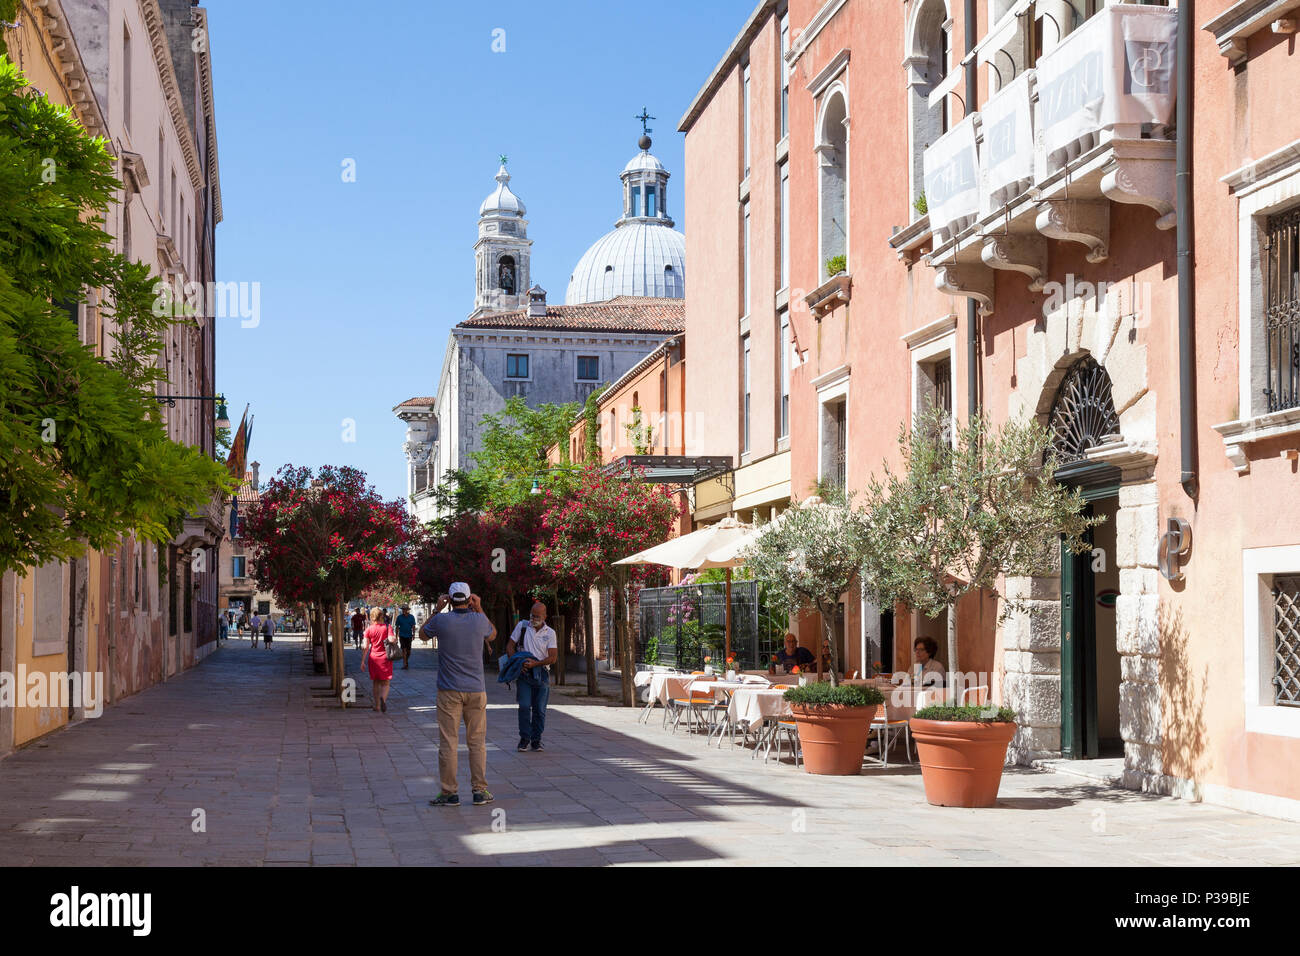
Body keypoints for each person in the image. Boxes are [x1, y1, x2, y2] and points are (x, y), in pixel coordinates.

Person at [421, 583, 496, 807]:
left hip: (449, 691)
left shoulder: (441, 620)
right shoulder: (479, 620)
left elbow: (422, 634)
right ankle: (480, 790)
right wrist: (480, 608)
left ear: (450, 599)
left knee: (448, 742)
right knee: (477, 742)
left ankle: (449, 792)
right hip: (476, 690)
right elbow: (493, 635)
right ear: (469, 598)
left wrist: (437, 608)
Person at [506, 601, 558, 753]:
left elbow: (553, 657)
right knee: (523, 706)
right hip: (524, 673)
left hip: (541, 673)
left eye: (537, 616)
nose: (533, 619)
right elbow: (510, 646)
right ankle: (524, 738)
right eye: (532, 615)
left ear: (545, 616)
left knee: (539, 709)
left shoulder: (550, 633)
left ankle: (536, 740)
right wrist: (517, 662)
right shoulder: (522, 627)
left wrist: (536, 664)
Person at [362, 606, 395, 712]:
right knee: (386, 682)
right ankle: (383, 700)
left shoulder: (369, 629)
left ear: (372, 617)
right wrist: (392, 638)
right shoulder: (387, 627)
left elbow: (365, 646)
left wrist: (362, 661)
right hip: (385, 658)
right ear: (382, 616)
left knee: (376, 682)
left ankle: (377, 706)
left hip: (373, 658)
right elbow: (391, 639)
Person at [394, 604, 418, 670]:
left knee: (409, 651)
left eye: (405, 609)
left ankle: (406, 661)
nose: (404, 610)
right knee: (404, 650)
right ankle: (404, 664)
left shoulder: (411, 617)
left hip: (409, 635)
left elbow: (413, 626)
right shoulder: (399, 617)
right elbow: (397, 627)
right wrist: (396, 636)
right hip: (402, 635)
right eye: (403, 609)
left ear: (407, 610)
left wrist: (413, 634)